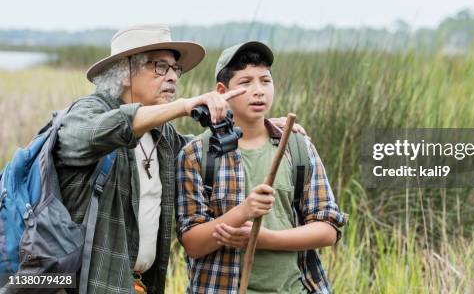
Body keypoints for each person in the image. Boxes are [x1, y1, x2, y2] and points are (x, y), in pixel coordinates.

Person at [55, 25, 298, 293]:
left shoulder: (163, 135)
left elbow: (202, 150)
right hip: (86, 283)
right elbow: (89, 135)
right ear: (125, 72)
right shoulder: (88, 112)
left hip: (138, 285)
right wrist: (183, 106)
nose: (172, 77)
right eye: (160, 67)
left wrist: (259, 127)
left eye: (175, 69)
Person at [176, 41, 347, 293]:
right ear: (222, 91)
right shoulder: (197, 155)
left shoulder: (297, 147)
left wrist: (264, 239)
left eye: (265, 81)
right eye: (245, 83)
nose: (258, 91)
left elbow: (328, 229)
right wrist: (244, 211)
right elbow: (192, 242)